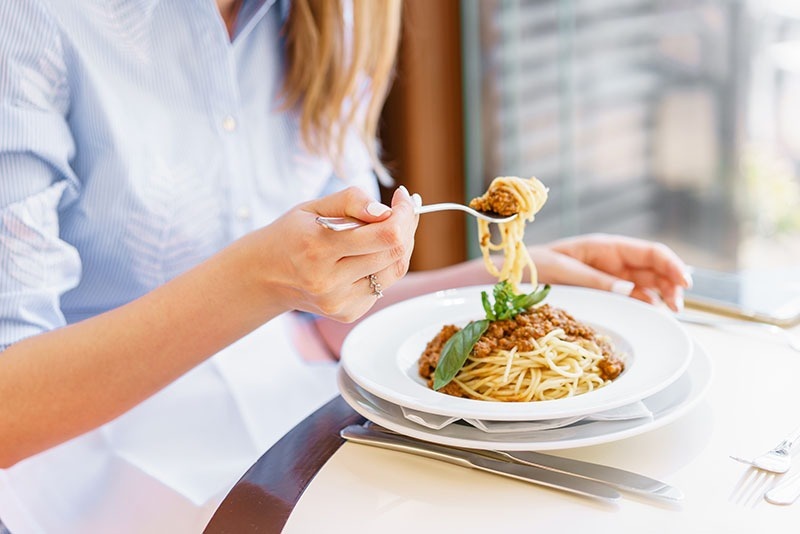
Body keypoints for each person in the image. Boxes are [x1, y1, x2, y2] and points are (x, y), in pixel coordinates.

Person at [0, 1, 691, 532]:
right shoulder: (36, 26)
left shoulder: (338, 17)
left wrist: (506, 279)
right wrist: (257, 279)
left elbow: (324, 318)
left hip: (299, 431)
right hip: (94, 478)